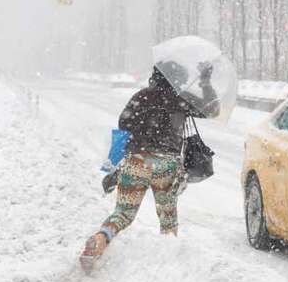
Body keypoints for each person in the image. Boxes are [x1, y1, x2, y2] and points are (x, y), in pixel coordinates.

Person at [80, 62, 219, 271]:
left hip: (136, 161)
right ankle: (166, 267)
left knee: (123, 214)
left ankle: (100, 239)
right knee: (167, 217)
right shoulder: (181, 100)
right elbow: (213, 109)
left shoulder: (140, 97)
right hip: (167, 164)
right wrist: (205, 82)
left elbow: (123, 124)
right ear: (177, 79)